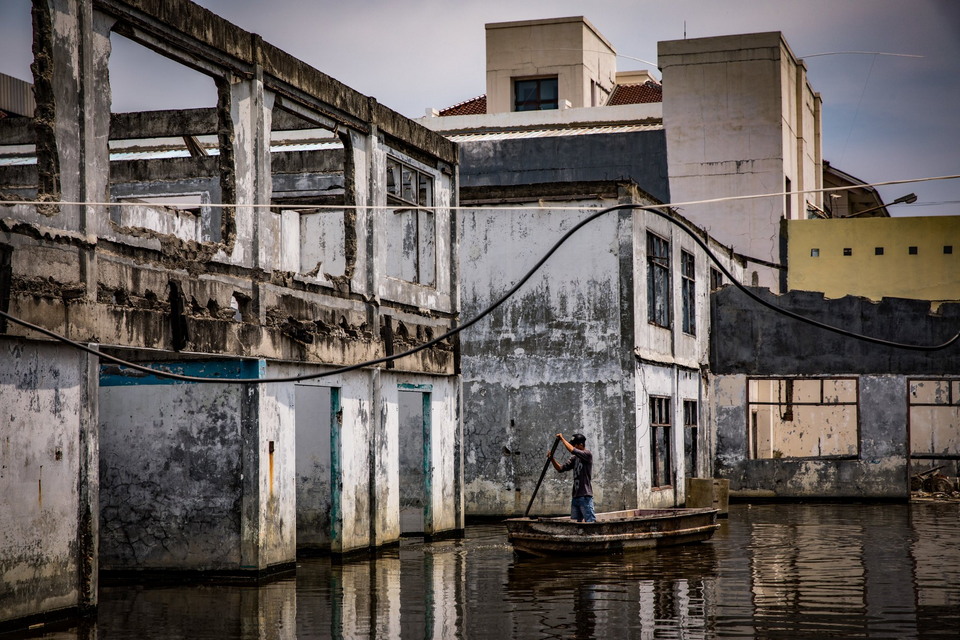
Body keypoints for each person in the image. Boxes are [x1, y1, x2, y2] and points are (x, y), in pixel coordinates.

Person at [548, 432, 595, 523]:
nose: (574, 446)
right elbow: (560, 469)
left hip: (585, 495)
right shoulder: (574, 458)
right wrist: (552, 459)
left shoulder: (587, 454)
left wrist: (562, 439)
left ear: (581, 444)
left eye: (575, 445)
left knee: (590, 522)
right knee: (577, 523)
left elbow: (572, 450)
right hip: (576, 496)